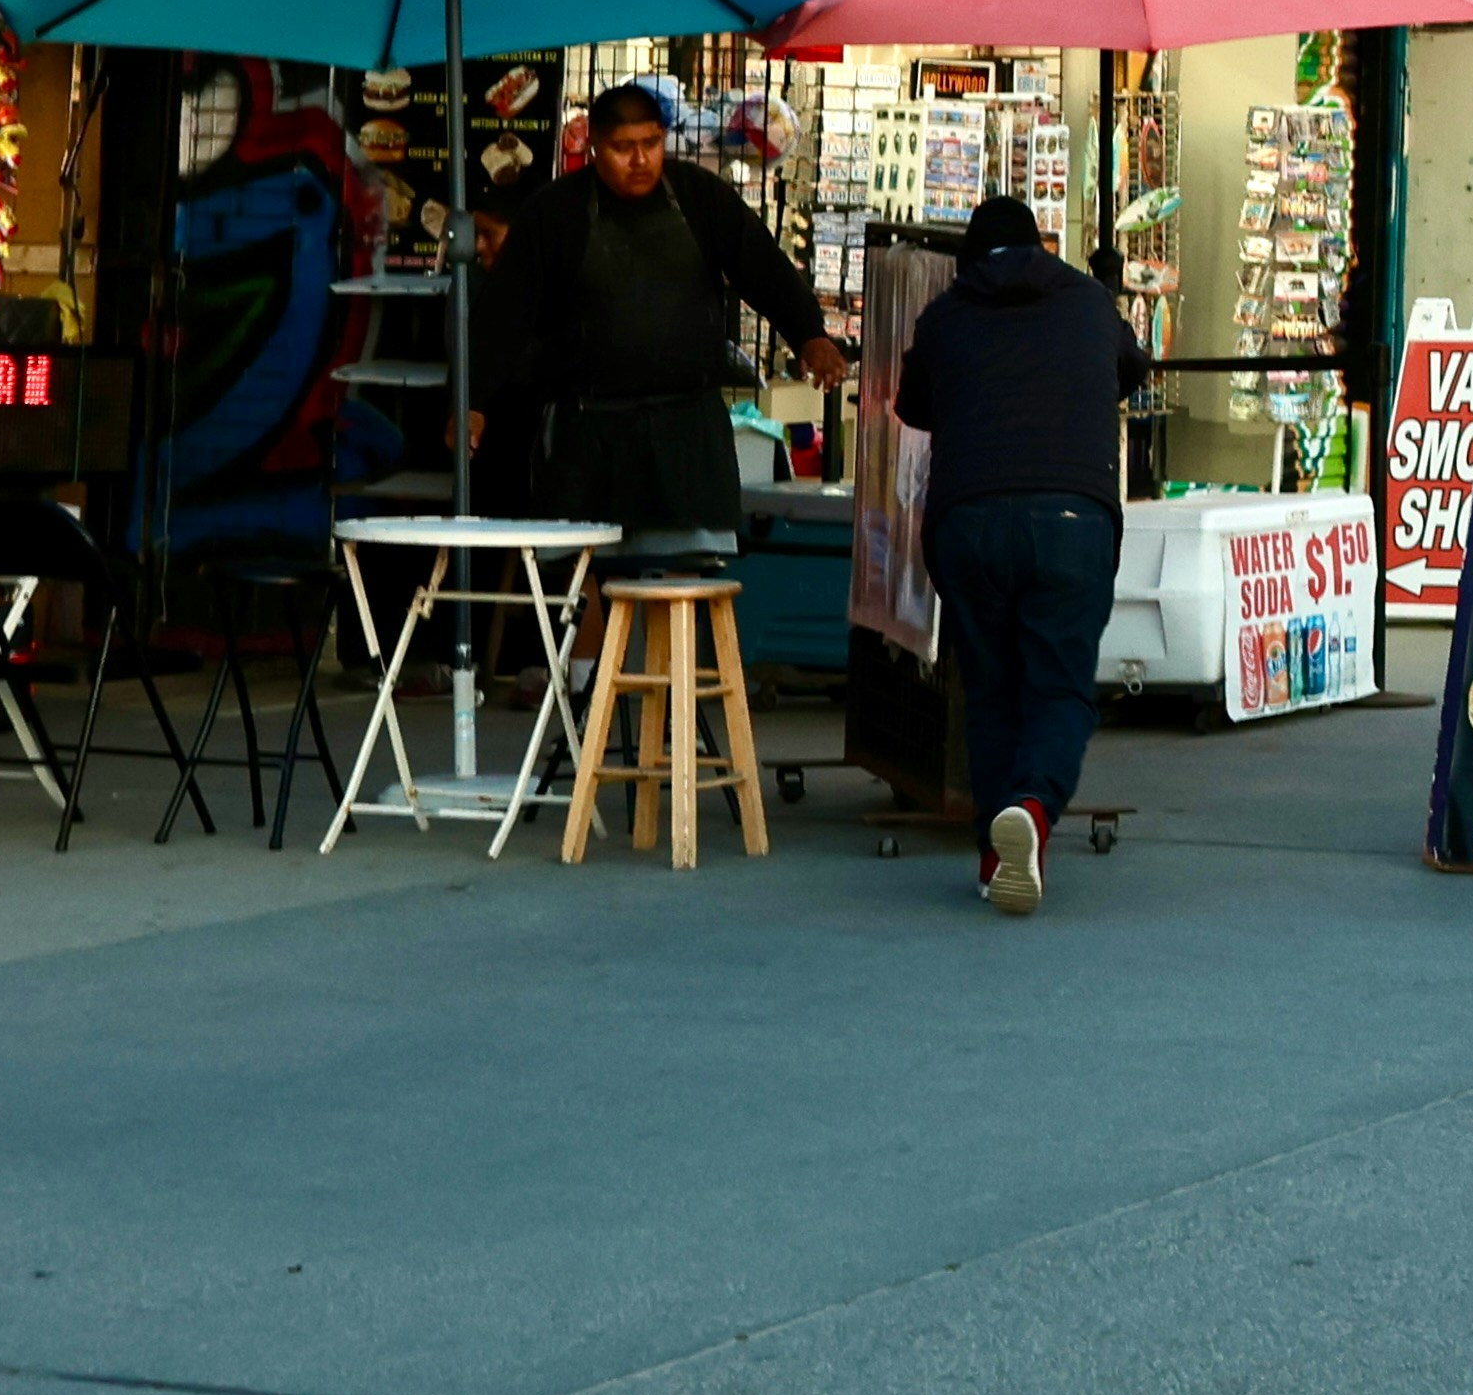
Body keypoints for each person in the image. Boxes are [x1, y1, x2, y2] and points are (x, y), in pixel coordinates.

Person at [896, 193, 1150, 913]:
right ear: (1041, 247)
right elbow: (1132, 369)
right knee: (1059, 686)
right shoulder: (1090, 303)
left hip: (969, 518)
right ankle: (1032, 810)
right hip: (1071, 516)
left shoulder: (945, 315)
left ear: (968, 261)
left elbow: (912, 406)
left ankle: (992, 854)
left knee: (991, 688)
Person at [482, 81, 843, 568]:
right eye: (622, 148)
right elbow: (505, 312)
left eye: (651, 144)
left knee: (684, 582)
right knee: (580, 580)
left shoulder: (698, 196)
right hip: (585, 435)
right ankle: (590, 651)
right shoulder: (554, 212)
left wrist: (810, 334)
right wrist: (473, 399)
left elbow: (764, 268)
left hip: (686, 436)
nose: (640, 160)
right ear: (593, 145)